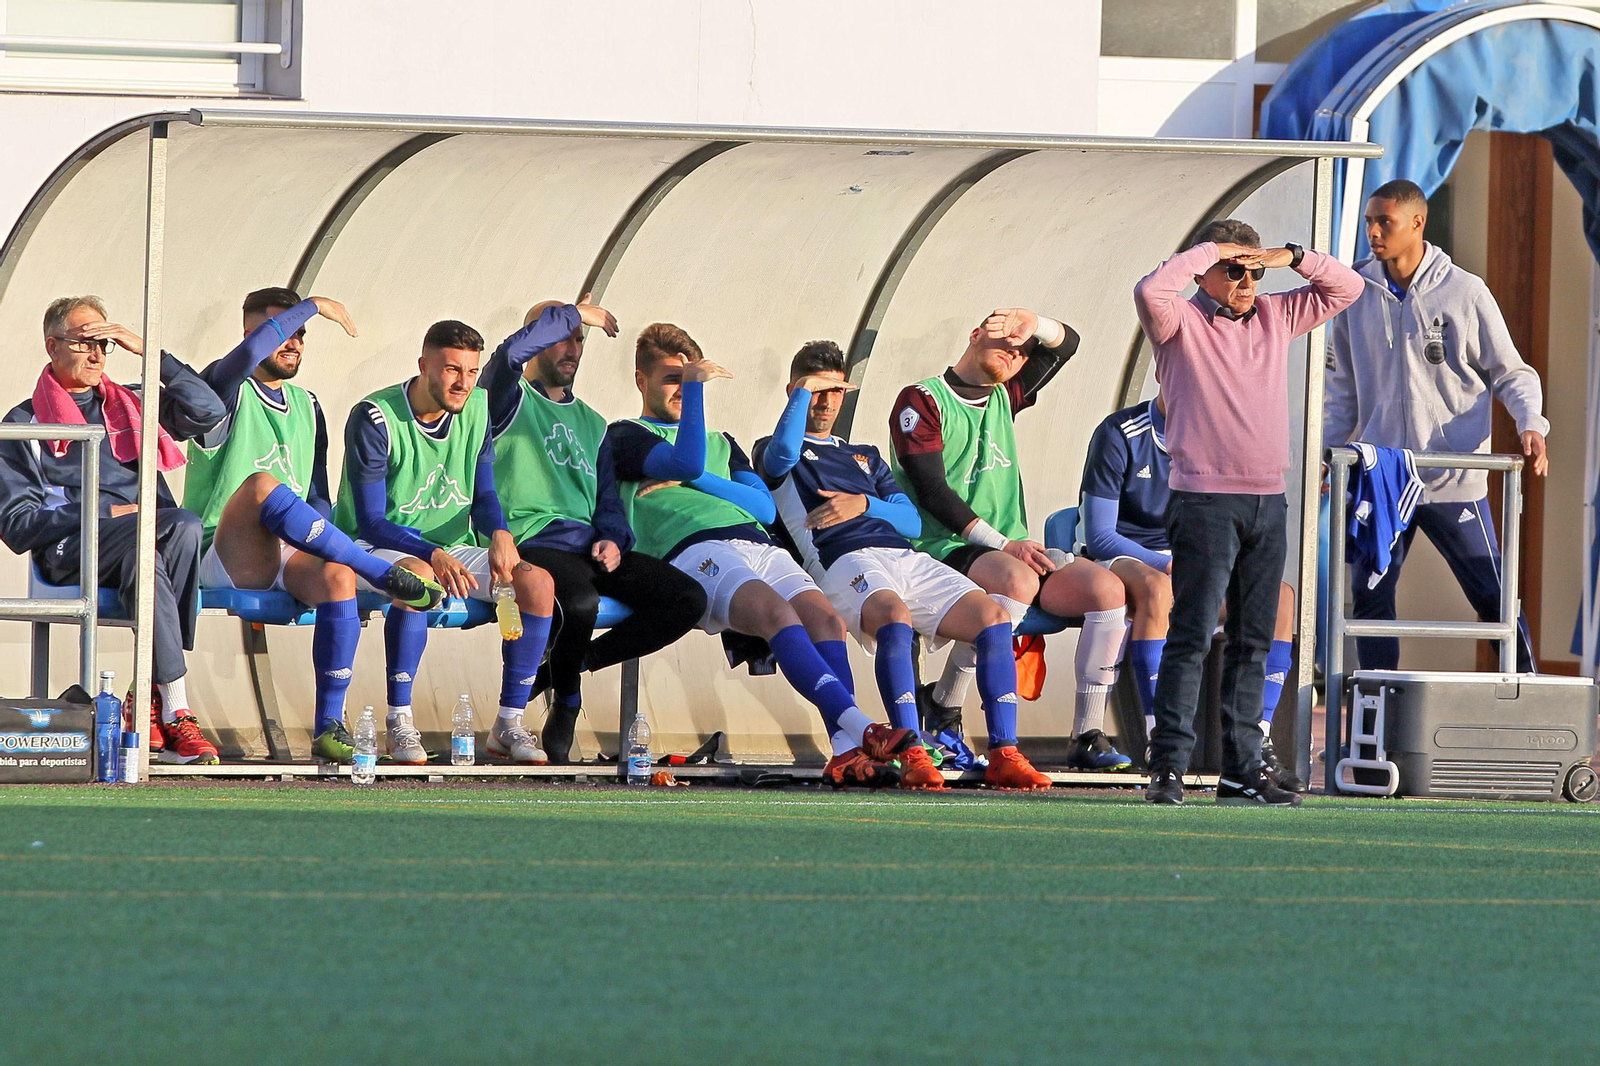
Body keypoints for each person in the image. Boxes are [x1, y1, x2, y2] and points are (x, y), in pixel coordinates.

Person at [606, 323, 934, 788]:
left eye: (689, 380)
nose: (682, 390)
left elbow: (760, 505)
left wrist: (698, 481)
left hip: (758, 543)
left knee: (826, 620)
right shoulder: (626, 434)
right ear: (641, 381)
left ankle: (843, 752)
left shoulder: (722, 441)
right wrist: (697, 402)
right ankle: (866, 731)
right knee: (778, 615)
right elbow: (685, 460)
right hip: (695, 548)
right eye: (671, 379)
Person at [1133, 219, 1361, 805]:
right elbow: (1150, 290)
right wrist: (1214, 250)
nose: (1246, 281)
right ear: (1206, 271)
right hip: (1204, 501)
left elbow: (1346, 288)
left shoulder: (1275, 313)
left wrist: (1292, 257)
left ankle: (1239, 772)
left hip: (1268, 499)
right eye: (1234, 270)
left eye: (1254, 271)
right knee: (1190, 634)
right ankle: (1168, 768)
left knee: (1252, 639)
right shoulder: (1179, 319)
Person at [756, 340, 1050, 789]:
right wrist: (801, 394)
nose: (825, 401)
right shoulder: (778, 450)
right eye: (814, 390)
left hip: (903, 556)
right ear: (794, 391)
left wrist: (864, 504)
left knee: (993, 618)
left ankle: (1004, 752)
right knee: (894, 617)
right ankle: (912, 749)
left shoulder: (866, 454)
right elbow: (779, 459)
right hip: (842, 559)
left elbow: (910, 520)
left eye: (834, 391)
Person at [185, 287, 446, 764]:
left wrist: (322, 540)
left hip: (290, 547)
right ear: (252, 336)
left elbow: (318, 497)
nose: (295, 343)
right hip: (224, 550)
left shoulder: (309, 404)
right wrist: (315, 306)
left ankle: (328, 726)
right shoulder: (221, 392)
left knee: (337, 576)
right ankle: (377, 569)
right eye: (284, 333)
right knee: (262, 485)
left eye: (302, 334)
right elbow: (242, 359)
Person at [888, 307, 1132, 771]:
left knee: (1107, 591)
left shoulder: (1008, 392)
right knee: (1016, 583)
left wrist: (1031, 322)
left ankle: (1087, 733)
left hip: (1009, 548)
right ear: (975, 333)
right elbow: (933, 492)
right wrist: (1004, 545)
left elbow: (1069, 343)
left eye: (1022, 351)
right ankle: (947, 704)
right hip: (943, 545)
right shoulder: (921, 399)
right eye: (1004, 341)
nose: (1014, 355)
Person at [1327, 178, 1546, 674]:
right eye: (1369, 222)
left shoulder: (1465, 291)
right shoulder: (1354, 291)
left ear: (1418, 223)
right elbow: (1340, 390)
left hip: (1453, 478)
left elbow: (1510, 371)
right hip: (1382, 480)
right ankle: (1377, 715)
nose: (1374, 232)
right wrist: (1330, 453)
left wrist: (1531, 422)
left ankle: (1531, 697)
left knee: (1493, 595)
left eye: (1385, 221)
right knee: (1370, 601)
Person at [480, 296, 706, 764]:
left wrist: (612, 537)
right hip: (531, 543)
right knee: (579, 601)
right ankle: (567, 703)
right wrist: (573, 313)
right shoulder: (506, 400)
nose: (572, 348)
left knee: (687, 599)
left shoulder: (594, 423)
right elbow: (505, 358)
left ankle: (569, 670)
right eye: (561, 336)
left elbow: (607, 501)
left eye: (579, 340)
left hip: (586, 546)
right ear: (536, 340)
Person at [0, 295, 226, 763]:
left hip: (144, 544)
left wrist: (150, 351)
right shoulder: (23, 423)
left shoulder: (133, 403)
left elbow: (209, 411)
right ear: (52, 347)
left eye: (106, 344)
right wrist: (100, 517)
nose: (99, 355)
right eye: (86, 342)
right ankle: (173, 705)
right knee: (160, 533)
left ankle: (153, 696)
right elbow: (17, 526)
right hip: (70, 548)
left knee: (180, 526)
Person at [332, 320, 556, 765]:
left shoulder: (478, 408)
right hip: (376, 547)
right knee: (420, 580)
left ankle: (508, 722)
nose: (463, 383)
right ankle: (399, 721)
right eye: (452, 370)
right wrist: (430, 553)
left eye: (472, 372)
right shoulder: (375, 416)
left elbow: (485, 494)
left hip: (447, 550)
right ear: (424, 366)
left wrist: (500, 535)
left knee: (537, 584)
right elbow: (372, 520)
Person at [1079, 387, 1303, 790]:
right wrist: (1168, 562)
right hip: (1132, 559)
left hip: (1196, 555)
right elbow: (1100, 536)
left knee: (1280, 599)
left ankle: (1258, 738)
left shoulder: (1222, 438)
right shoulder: (1121, 432)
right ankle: (1156, 738)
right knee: (1158, 589)